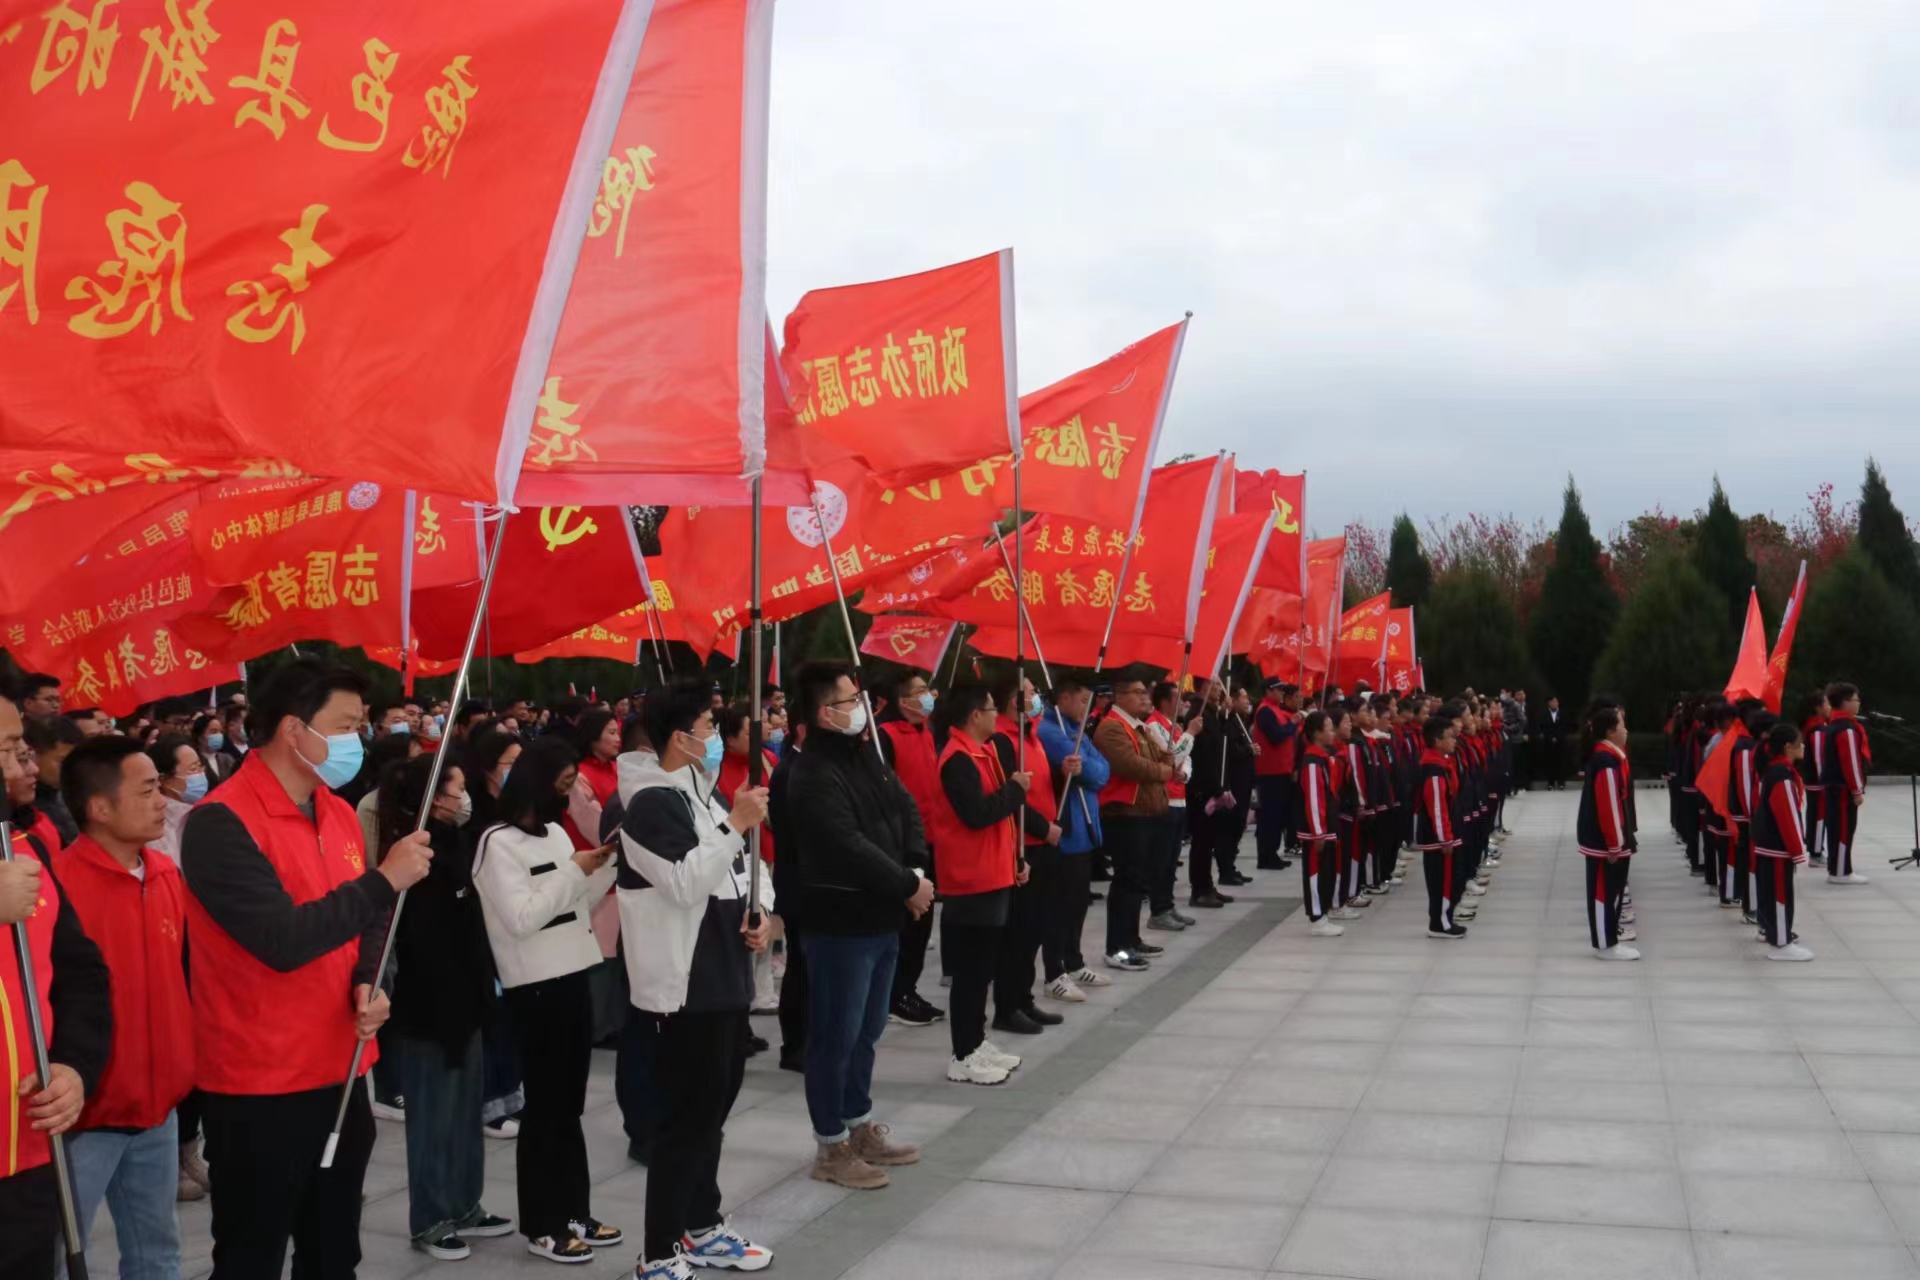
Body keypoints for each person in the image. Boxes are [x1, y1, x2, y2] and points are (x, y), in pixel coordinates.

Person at [178, 657, 434, 1278]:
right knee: (252, 1255)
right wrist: (385, 880)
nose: (358, 739)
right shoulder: (220, 822)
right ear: (294, 729)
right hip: (260, 1086)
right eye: (345, 726)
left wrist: (370, 980)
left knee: (333, 1251)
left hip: (340, 1070)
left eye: (361, 725)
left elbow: (368, 923)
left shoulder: (335, 810)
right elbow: (281, 940)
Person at [616, 677, 777, 1278]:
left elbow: (748, 870)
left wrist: (763, 913)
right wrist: (734, 823)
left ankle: (702, 1225)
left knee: (711, 1117)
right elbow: (684, 882)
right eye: (709, 728)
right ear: (680, 738)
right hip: (683, 985)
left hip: (724, 974)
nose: (715, 737)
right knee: (685, 1123)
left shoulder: (702, 794)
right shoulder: (648, 804)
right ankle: (658, 1253)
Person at [779, 663, 931, 1186]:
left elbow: (905, 808)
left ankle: (858, 1121)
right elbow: (847, 845)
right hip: (840, 923)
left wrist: (915, 871)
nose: (862, 708)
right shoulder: (811, 772)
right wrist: (906, 885)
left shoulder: (866, 753)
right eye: (850, 701)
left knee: (866, 1031)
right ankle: (830, 1145)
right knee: (834, 1037)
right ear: (826, 713)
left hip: (882, 916)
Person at [472, 737, 621, 1263]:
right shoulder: (496, 843)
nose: (566, 794)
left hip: (574, 972)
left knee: (570, 1106)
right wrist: (574, 871)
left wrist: (605, 866)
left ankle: (574, 1210)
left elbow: (575, 901)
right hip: (535, 986)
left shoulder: (556, 834)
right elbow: (523, 918)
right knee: (545, 1109)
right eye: (561, 784)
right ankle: (542, 1223)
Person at [54, 736, 194, 1280]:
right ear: (100, 807)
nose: (162, 801)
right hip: (87, 1115)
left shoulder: (164, 873)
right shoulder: (58, 888)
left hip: (157, 1109)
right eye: (147, 790)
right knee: (60, 1257)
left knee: (158, 1255)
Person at [380, 756, 515, 1260]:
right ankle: (431, 1218)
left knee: (463, 1113)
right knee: (433, 1119)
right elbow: (420, 943)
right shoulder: (413, 854)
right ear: (435, 798)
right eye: (457, 788)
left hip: (467, 1002)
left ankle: (464, 1203)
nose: (466, 796)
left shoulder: (457, 841)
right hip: (428, 1011)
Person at [0, 691, 112, 1280]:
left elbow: (82, 977)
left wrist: (73, 1066)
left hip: (27, 1154)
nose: (21, 764)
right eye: (6, 749)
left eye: (21, 748)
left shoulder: (23, 850)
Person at [932, 684, 1028, 1086]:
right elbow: (977, 815)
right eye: (991, 709)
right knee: (971, 970)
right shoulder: (957, 759)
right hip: (971, 877)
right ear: (974, 715)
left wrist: (1015, 859)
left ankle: (976, 1039)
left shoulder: (980, 752)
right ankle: (963, 1052)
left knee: (983, 967)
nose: (996, 716)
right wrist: (1016, 790)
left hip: (992, 871)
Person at [987, 675, 1063, 1037]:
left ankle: (1024, 998)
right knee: (1017, 932)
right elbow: (1012, 797)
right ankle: (1007, 1006)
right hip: (1023, 846)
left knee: (1035, 928)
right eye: (1031, 693)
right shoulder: (1002, 740)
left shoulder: (1031, 735)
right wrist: (1042, 828)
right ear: (1013, 700)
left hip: (1043, 843)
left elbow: (1041, 787)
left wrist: (1064, 774)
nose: (1037, 698)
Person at [1033, 677, 1112, 1002]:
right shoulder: (1051, 732)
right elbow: (1092, 773)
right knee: (1059, 907)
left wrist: (1090, 770)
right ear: (1063, 698)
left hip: (1083, 830)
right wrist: (1088, 770)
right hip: (1065, 832)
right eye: (1082, 700)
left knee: (1077, 903)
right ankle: (1055, 972)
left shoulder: (1076, 732)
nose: (1087, 707)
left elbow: (1103, 770)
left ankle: (1074, 961)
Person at [873, 673, 945, 1027]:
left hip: (929, 839)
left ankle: (907, 990)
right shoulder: (885, 736)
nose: (929, 696)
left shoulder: (925, 732)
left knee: (923, 923)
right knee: (906, 923)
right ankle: (893, 995)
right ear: (903, 701)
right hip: (902, 846)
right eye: (920, 691)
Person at [715, 704, 782, 1018]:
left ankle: (763, 991)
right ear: (729, 739)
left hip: (770, 850)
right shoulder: (716, 771)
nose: (758, 737)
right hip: (739, 856)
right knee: (745, 927)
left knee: (768, 925)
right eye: (748, 732)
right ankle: (746, 994)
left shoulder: (767, 760)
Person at [1576, 706, 1638, 960]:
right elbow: (1609, 804)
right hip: (1604, 840)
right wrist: (1614, 844)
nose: (1626, 730)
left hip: (1610, 838)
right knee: (1603, 892)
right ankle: (1605, 944)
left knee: (1612, 891)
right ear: (1611, 731)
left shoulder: (1610, 756)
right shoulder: (1606, 760)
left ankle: (1610, 939)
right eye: (1622, 725)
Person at [1753, 722, 1814, 961]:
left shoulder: (1774, 771)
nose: (1803, 746)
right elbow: (1787, 816)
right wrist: (1798, 851)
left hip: (1768, 845)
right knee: (1779, 896)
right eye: (1800, 743)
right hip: (1777, 848)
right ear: (1788, 746)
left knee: (1771, 893)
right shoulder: (1783, 776)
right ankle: (1781, 943)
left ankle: (1774, 933)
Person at [1143, 681, 1197, 933]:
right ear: (1165, 701)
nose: (1183, 702)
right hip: (1164, 799)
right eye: (1178, 697)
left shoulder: (1174, 726)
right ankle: (1158, 909)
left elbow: (1185, 761)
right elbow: (1172, 756)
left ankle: (1167, 904)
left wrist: (1185, 774)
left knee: (1172, 859)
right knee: (1162, 859)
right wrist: (1191, 734)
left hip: (1179, 796)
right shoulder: (1153, 725)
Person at [1411, 715, 1466, 939]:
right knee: (1443, 881)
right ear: (1437, 741)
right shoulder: (1433, 768)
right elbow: (1437, 806)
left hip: (1446, 832)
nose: (1454, 741)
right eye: (1449, 737)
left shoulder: (1441, 762)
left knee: (1452, 879)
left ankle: (1445, 917)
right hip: (1439, 837)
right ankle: (1440, 923)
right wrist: (1445, 838)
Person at [1295, 708, 1344, 936]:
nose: (1332, 733)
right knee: (1315, 872)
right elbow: (1314, 799)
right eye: (1329, 729)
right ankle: (1316, 917)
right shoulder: (1312, 762)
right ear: (1316, 733)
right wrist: (1318, 832)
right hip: (1317, 829)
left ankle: (1323, 912)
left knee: (1326, 872)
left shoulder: (1323, 758)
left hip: (1326, 825)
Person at [1822, 682, 1870, 884]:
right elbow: (1850, 762)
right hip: (1843, 789)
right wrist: (1857, 790)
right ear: (1845, 702)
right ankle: (1840, 872)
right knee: (1843, 830)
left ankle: (1837, 868)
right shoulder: (1846, 729)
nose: (1858, 704)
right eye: (1856, 700)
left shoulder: (1833, 725)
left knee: (1837, 828)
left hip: (1834, 786)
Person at [1251, 679, 1298, 869]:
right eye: (1278, 690)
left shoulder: (1276, 710)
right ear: (1268, 691)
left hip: (1281, 770)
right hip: (1270, 772)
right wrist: (1292, 724)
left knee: (1278, 816)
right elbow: (1276, 736)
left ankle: (1272, 853)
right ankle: (1266, 856)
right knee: (1270, 816)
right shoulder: (1265, 711)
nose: (1281, 693)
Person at [146, 734, 205, 863]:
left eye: (200, 766)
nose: (200, 774)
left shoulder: (207, 809)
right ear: (164, 780)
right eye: (192, 769)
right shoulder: (157, 828)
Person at [25, 716, 82, 848]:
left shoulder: (70, 796)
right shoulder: (22, 811)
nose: (71, 769)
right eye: (63, 761)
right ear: (34, 755)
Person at [1798, 690, 1830, 867]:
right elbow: (1819, 757)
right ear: (1818, 707)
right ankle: (1816, 853)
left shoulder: (1816, 725)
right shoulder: (1817, 728)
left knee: (1816, 815)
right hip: (1818, 783)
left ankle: (1815, 850)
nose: (1830, 707)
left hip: (1815, 781)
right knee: (1818, 816)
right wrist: (1824, 779)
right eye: (1827, 703)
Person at [190, 714, 239, 787]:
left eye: (220, 732)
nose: (219, 735)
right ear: (199, 736)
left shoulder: (227, 759)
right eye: (213, 732)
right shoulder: (193, 761)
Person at [1536, 695, 1569, 789]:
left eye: (1555, 701)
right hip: (1548, 742)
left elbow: (1566, 727)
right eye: (1552, 702)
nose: (1554, 703)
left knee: (1561, 761)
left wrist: (1558, 737)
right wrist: (1550, 737)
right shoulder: (1544, 714)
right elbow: (1542, 727)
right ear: (1548, 703)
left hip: (1561, 741)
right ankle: (1551, 782)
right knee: (1550, 762)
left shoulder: (1563, 714)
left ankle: (1561, 782)